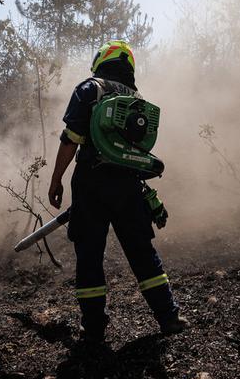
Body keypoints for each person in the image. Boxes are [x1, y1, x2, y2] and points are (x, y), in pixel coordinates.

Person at [47, 40, 187, 344]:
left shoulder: (89, 89)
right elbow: (137, 152)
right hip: (128, 186)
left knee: (89, 256)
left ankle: (94, 328)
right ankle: (169, 317)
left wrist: (56, 179)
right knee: (142, 253)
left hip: (91, 183)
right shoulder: (138, 101)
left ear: (102, 60)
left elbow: (71, 139)